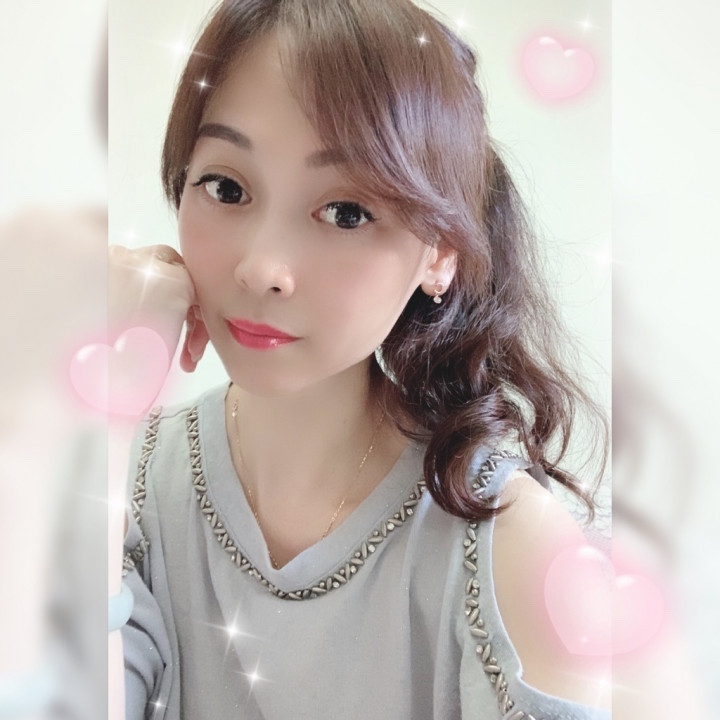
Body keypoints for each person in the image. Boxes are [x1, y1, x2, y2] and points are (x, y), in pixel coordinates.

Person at [111, 0, 611, 717]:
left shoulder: (513, 549)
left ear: (440, 252)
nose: (263, 269)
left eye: (347, 212)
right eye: (227, 188)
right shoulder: (129, 476)